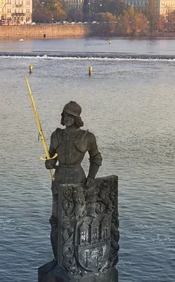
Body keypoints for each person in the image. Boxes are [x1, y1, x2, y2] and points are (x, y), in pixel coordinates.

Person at [45, 101, 102, 259]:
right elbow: (51, 157)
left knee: (76, 221)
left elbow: (96, 158)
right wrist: (49, 163)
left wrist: (91, 176)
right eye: (65, 114)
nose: (67, 118)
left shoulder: (87, 137)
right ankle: (59, 259)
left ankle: (75, 258)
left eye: (71, 115)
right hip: (59, 180)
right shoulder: (56, 135)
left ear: (77, 118)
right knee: (56, 221)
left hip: (78, 179)